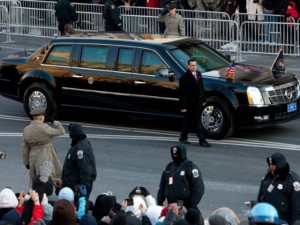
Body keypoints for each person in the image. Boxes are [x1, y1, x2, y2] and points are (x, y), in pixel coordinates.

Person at [157, 145, 205, 219]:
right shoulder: (169, 167)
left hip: (186, 206)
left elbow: (199, 188)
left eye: (177, 154)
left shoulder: (190, 168)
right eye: (173, 154)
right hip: (171, 206)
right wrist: (159, 202)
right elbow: (162, 186)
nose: (175, 156)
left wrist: (193, 204)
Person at [22, 107, 65, 187]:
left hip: (32, 156)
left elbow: (25, 148)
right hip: (45, 154)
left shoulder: (26, 129)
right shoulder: (44, 128)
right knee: (46, 177)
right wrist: (53, 121)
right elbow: (61, 131)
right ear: (42, 118)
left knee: (34, 178)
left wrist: (26, 162)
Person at [257, 152, 300, 225]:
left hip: (283, 221)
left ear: (279, 165)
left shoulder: (292, 181)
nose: (270, 167)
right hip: (266, 219)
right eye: (270, 164)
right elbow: (260, 197)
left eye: (273, 164)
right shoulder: (267, 178)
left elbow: (297, 206)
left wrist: (295, 222)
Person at [178, 58, 210, 147]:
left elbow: (201, 88)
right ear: (188, 66)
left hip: (198, 103)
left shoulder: (198, 74)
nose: (194, 67)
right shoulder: (184, 78)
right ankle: (202, 140)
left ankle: (183, 137)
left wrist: (203, 100)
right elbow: (182, 94)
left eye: (195, 65)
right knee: (193, 122)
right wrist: (183, 107)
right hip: (189, 104)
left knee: (191, 121)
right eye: (192, 65)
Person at [62, 123, 97, 201]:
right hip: (76, 185)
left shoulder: (79, 148)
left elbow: (85, 170)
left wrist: (81, 187)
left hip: (77, 186)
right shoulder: (83, 142)